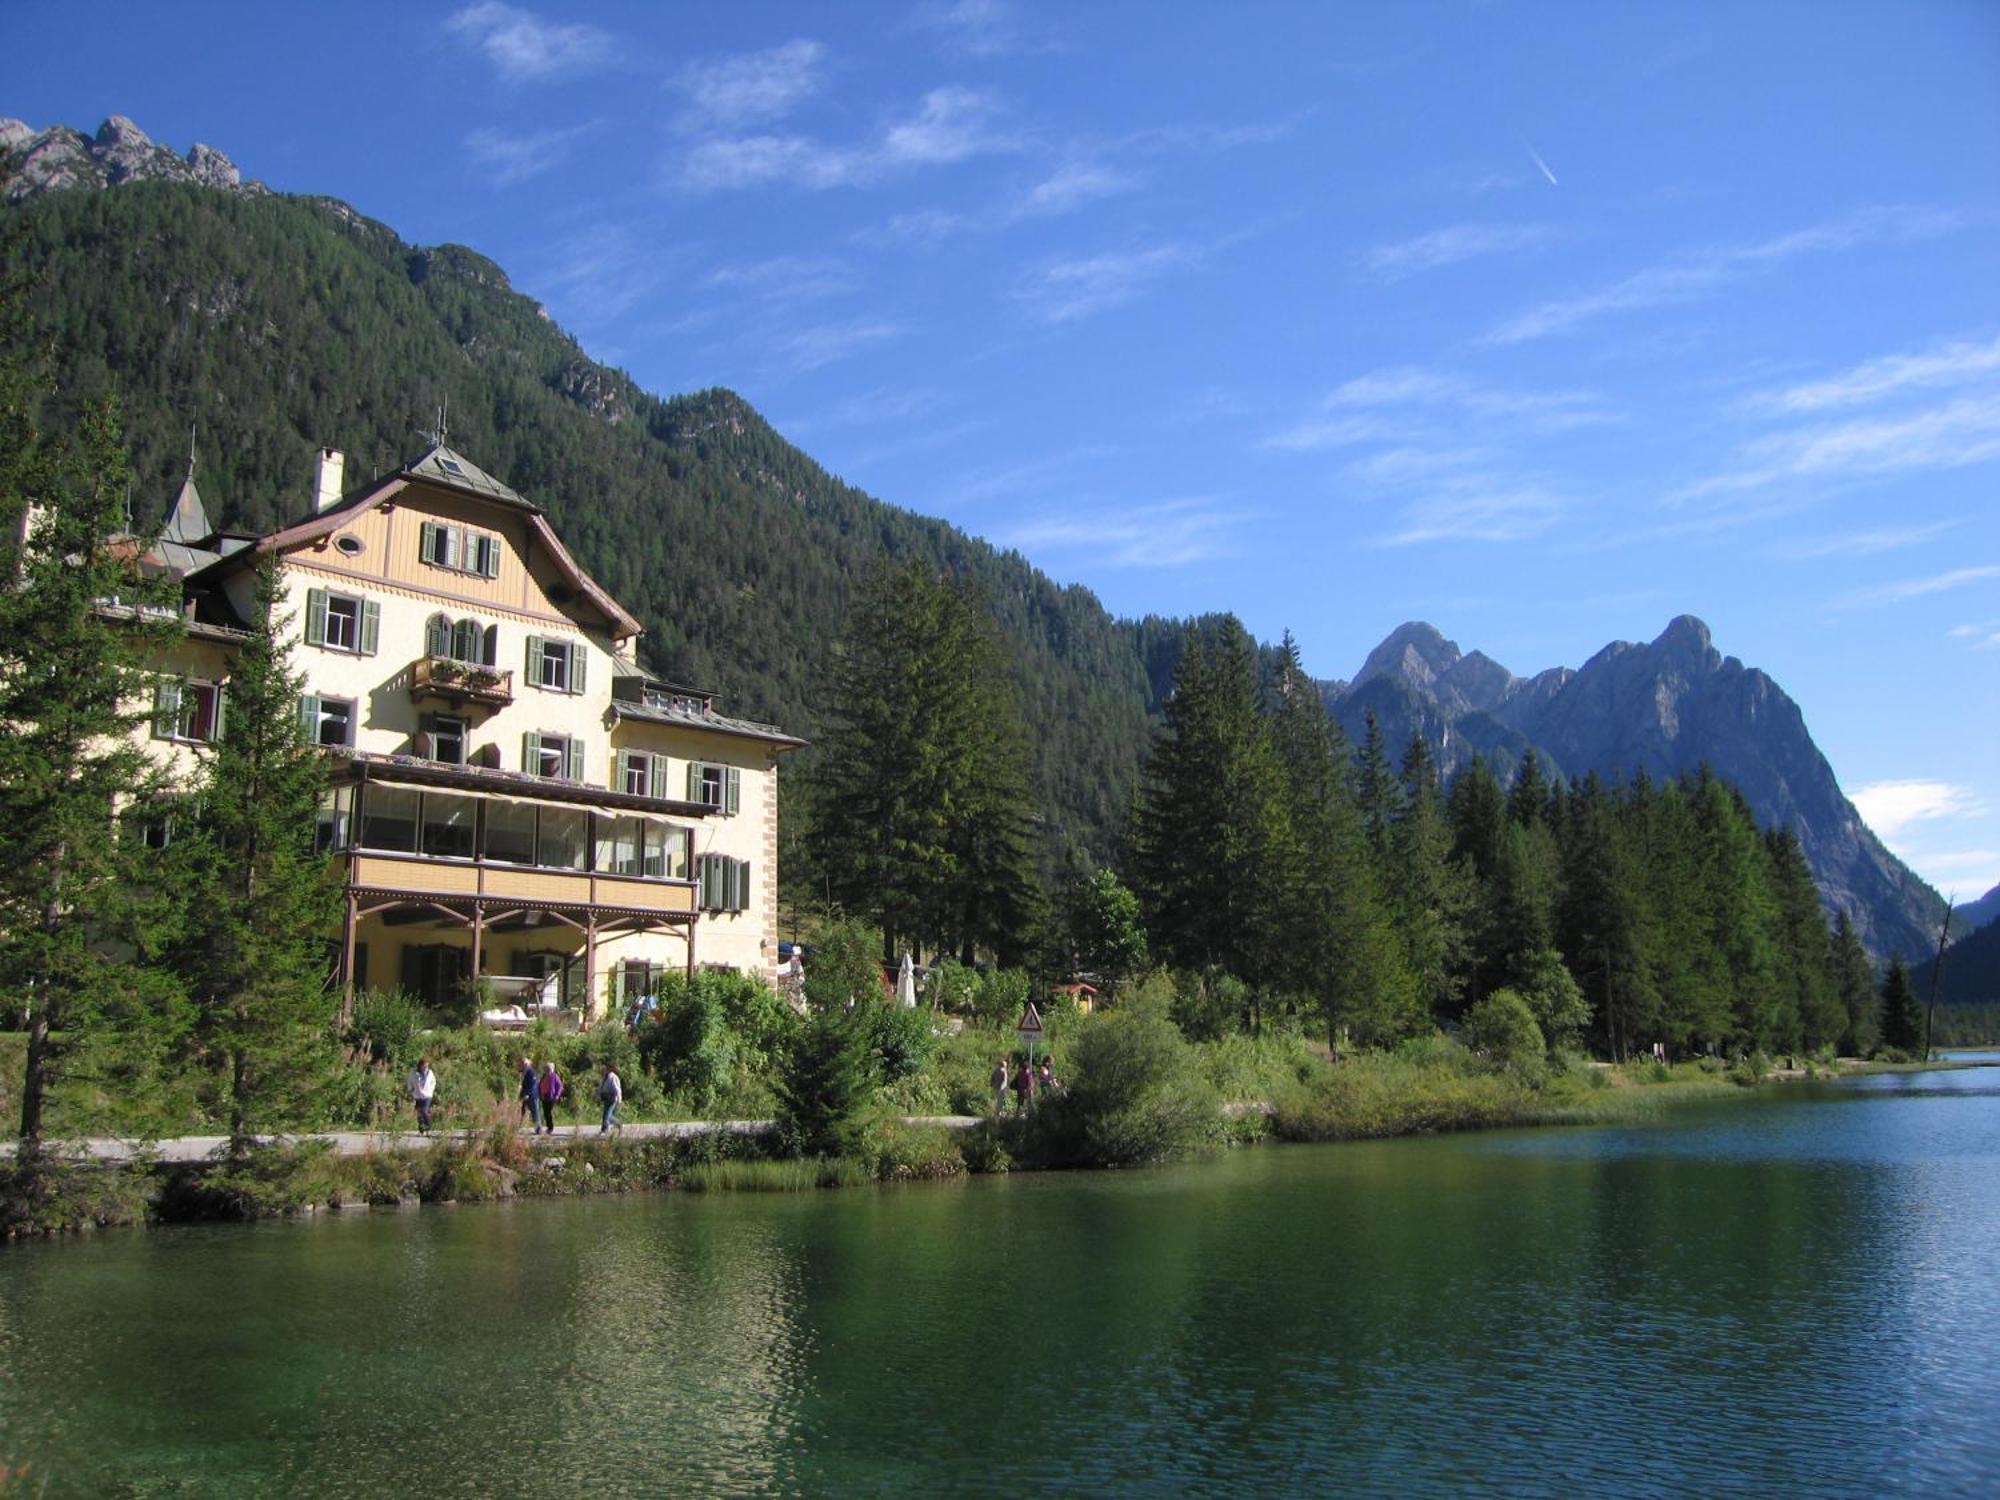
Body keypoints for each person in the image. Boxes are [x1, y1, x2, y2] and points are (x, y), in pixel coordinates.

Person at [408, 1056, 438, 1134]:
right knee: (419, 1113)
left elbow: (433, 1082)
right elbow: (409, 1082)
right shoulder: (414, 1073)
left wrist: (431, 1090)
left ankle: (428, 1125)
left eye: (427, 1066)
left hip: (427, 1096)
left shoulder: (430, 1072)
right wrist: (411, 1089)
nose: (425, 1068)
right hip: (418, 1095)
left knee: (424, 1110)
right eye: (424, 1066)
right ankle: (421, 1127)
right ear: (420, 1065)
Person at [537, 1058, 566, 1134]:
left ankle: (550, 1127)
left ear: (552, 1069)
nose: (546, 1069)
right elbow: (540, 1085)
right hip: (544, 1096)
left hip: (551, 1096)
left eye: (548, 1068)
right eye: (546, 1068)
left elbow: (560, 1086)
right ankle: (548, 1127)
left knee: (548, 1112)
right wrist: (540, 1093)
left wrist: (557, 1095)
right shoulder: (544, 1076)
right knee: (545, 1112)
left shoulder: (554, 1076)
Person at [599, 1066, 623, 1133]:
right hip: (606, 1097)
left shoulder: (613, 1077)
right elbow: (602, 1087)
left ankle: (617, 1123)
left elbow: (617, 1089)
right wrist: (599, 1094)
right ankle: (604, 1129)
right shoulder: (605, 1077)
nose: (604, 1070)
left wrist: (619, 1100)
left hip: (612, 1098)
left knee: (608, 1115)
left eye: (605, 1069)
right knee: (605, 1115)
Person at [518, 1056, 539, 1127]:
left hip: (532, 1095)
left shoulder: (531, 1072)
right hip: (524, 1095)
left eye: (525, 1064)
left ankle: (538, 1127)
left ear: (528, 1064)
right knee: (522, 1110)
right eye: (522, 1064)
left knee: (534, 1111)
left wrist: (527, 1094)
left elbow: (532, 1084)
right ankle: (519, 1125)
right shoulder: (523, 1072)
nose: (523, 1065)